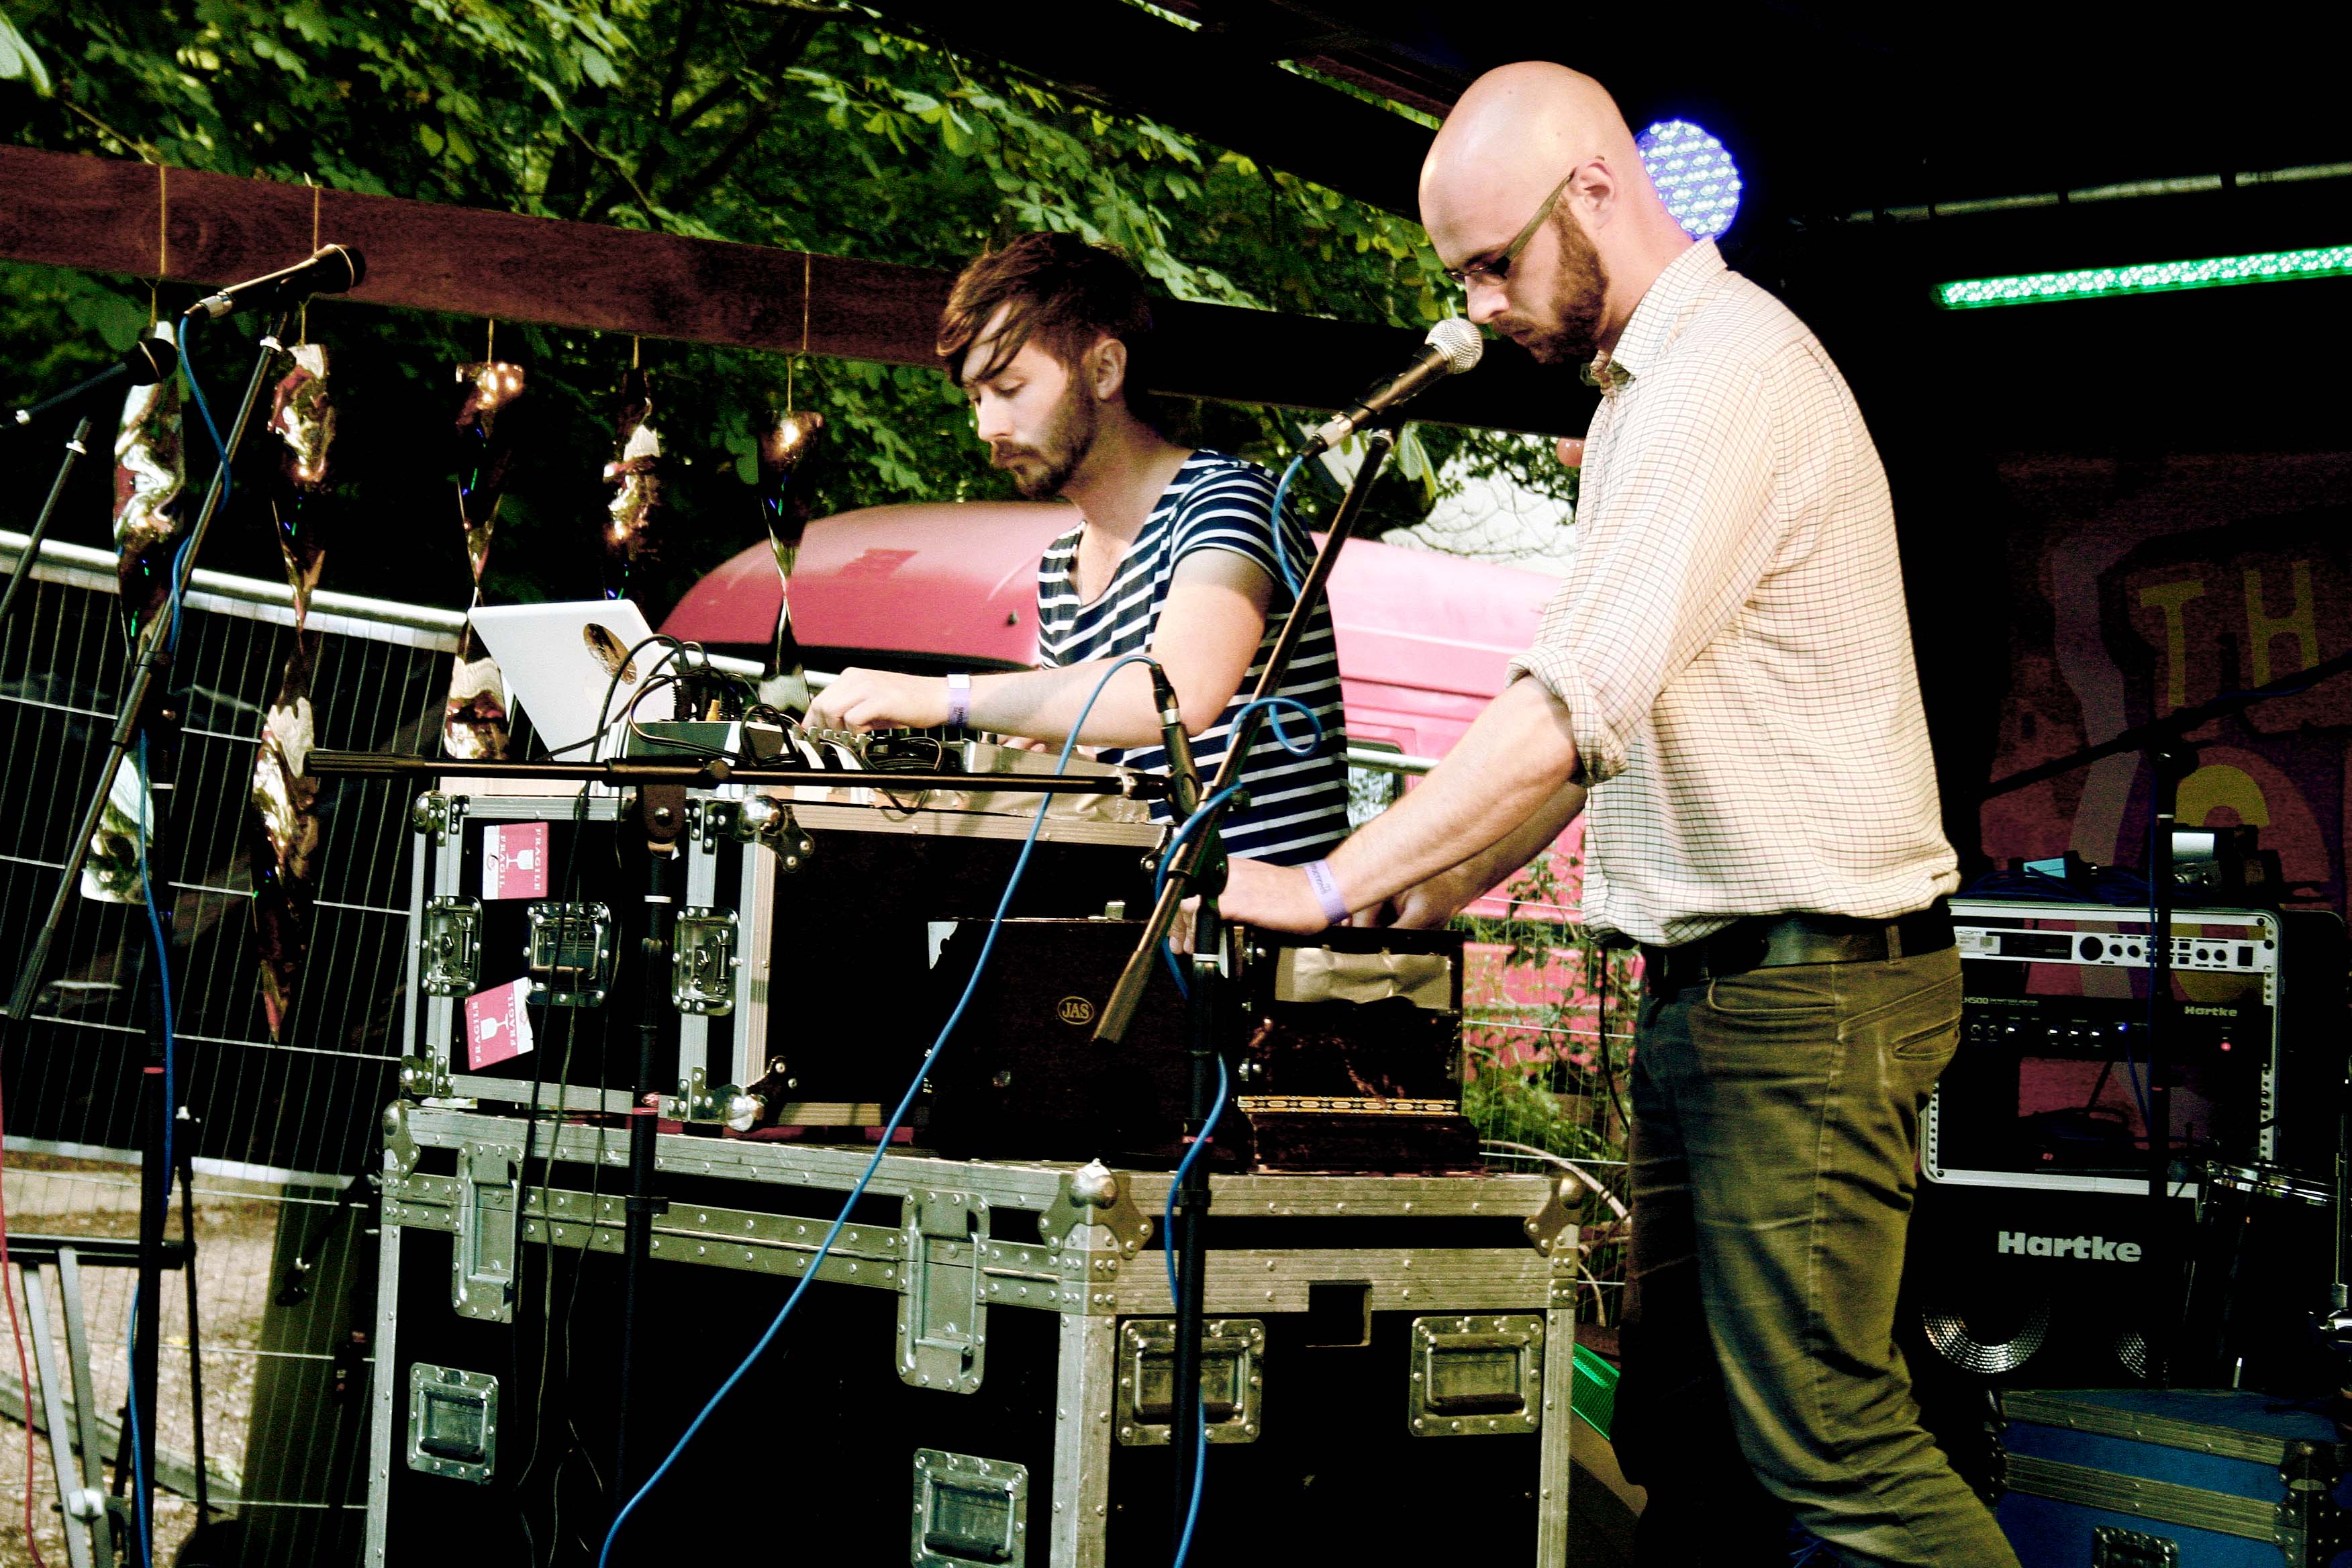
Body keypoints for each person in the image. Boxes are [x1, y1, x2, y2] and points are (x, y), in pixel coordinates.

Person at [1216, 62, 2017, 1568]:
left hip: (1806, 994)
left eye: (1490, 262)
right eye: (1457, 275)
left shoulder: (1723, 377)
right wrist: (1444, 880)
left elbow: (1565, 703)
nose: (1475, 308)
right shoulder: (1647, 398)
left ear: (1592, 187)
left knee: (1831, 1442)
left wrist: (1326, 885)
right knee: (1690, 1450)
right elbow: (1611, 727)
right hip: (1728, 995)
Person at [805, 231, 1349, 865]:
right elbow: (1104, 750)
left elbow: (1177, 692)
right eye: (976, 399)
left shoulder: (1228, 499)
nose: (987, 427)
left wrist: (941, 699)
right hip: (1155, 911)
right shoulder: (1061, 567)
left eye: (1009, 388)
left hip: (1266, 917)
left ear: (1105, 369)